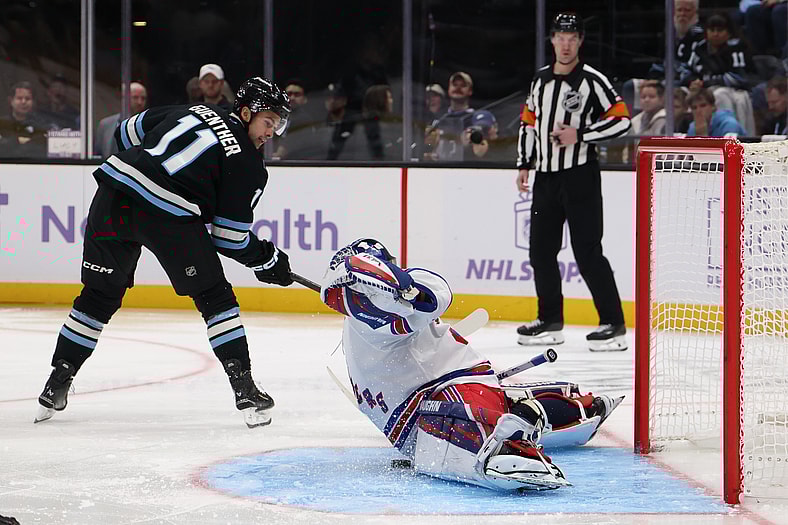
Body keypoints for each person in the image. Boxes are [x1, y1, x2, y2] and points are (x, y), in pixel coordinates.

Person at [35, 77, 294, 429]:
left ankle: (56, 383)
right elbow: (230, 239)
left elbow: (124, 133)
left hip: (114, 194)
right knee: (215, 298)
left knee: (97, 297)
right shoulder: (249, 163)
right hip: (167, 214)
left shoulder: (193, 109)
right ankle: (245, 388)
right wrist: (268, 259)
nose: (270, 133)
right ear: (246, 112)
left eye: (277, 126)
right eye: (268, 122)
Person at [319, 238, 624, 491]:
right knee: (490, 411)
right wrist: (391, 288)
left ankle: (529, 424)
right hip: (421, 409)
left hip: (448, 386)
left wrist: (404, 290)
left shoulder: (397, 298)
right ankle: (534, 414)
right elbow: (360, 290)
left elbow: (433, 295)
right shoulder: (365, 318)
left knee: (479, 419)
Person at [515, 12, 631, 352]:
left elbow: (621, 119)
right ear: (552, 40)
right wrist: (524, 163)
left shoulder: (592, 80)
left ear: (580, 41)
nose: (565, 44)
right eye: (560, 37)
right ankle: (550, 319)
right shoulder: (540, 81)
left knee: (588, 252)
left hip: (580, 176)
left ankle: (613, 323)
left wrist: (580, 134)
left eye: (572, 38)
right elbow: (528, 122)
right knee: (540, 251)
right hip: (545, 177)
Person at [682, 12, 757, 135]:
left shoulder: (737, 47)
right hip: (704, 88)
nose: (715, 33)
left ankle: (728, 133)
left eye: (720, 30)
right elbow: (686, 70)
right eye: (712, 30)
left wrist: (706, 82)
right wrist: (692, 81)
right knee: (679, 93)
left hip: (734, 90)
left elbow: (740, 77)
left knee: (720, 94)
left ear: (728, 32)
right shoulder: (700, 48)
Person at [424, 71, 475, 161]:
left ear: (470, 91)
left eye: (463, 85)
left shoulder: (475, 118)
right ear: (449, 89)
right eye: (454, 85)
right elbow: (429, 146)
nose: (458, 88)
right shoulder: (439, 119)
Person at [94, 81, 148, 159]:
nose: (140, 102)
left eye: (143, 98)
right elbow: (98, 154)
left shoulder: (149, 125)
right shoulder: (105, 124)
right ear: (124, 98)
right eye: (135, 97)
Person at [0, 80, 49, 158]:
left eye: (27, 99)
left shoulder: (41, 126)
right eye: (19, 98)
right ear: (11, 101)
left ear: (33, 102)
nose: (23, 102)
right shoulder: (2, 124)